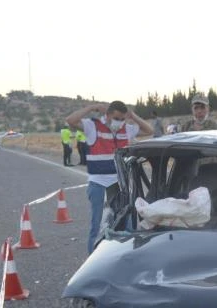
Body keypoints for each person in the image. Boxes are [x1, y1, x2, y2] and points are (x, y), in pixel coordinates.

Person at [66, 100, 154, 253]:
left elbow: (149, 130)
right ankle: (93, 259)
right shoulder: (93, 126)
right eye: (116, 118)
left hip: (119, 184)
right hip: (98, 184)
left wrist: (133, 116)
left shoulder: (126, 129)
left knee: (126, 224)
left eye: (122, 119)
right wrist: (92, 107)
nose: (119, 122)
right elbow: (70, 120)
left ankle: (125, 257)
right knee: (97, 226)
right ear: (107, 115)